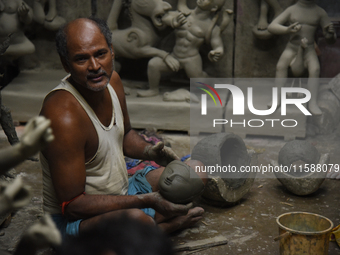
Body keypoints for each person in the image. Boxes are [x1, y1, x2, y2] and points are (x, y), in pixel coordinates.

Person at [39, 17, 204, 239]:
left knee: (197, 172)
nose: (95, 66)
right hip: (74, 220)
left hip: (123, 190)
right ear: (66, 64)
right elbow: (73, 206)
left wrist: (149, 151)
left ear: (112, 51)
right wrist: (146, 200)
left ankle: (149, 226)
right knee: (138, 221)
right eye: (81, 59)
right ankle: (165, 226)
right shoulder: (62, 117)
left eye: (100, 54)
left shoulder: (112, 81)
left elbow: (125, 134)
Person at [137, 0, 231, 97]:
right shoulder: (184, 14)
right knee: (154, 64)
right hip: (175, 56)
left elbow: (218, 45)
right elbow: (165, 17)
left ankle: (211, 81)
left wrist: (217, 52)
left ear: (214, 8)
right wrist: (173, 22)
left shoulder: (209, 27)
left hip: (191, 60)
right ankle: (153, 90)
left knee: (200, 86)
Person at [268, 0, 336, 115]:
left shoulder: (320, 12)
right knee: (280, 66)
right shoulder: (292, 10)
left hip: (309, 49)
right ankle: (277, 98)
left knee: (315, 69)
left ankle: (312, 102)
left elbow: (330, 40)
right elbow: (271, 27)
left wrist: (330, 34)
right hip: (292, 47)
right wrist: (286, 29)